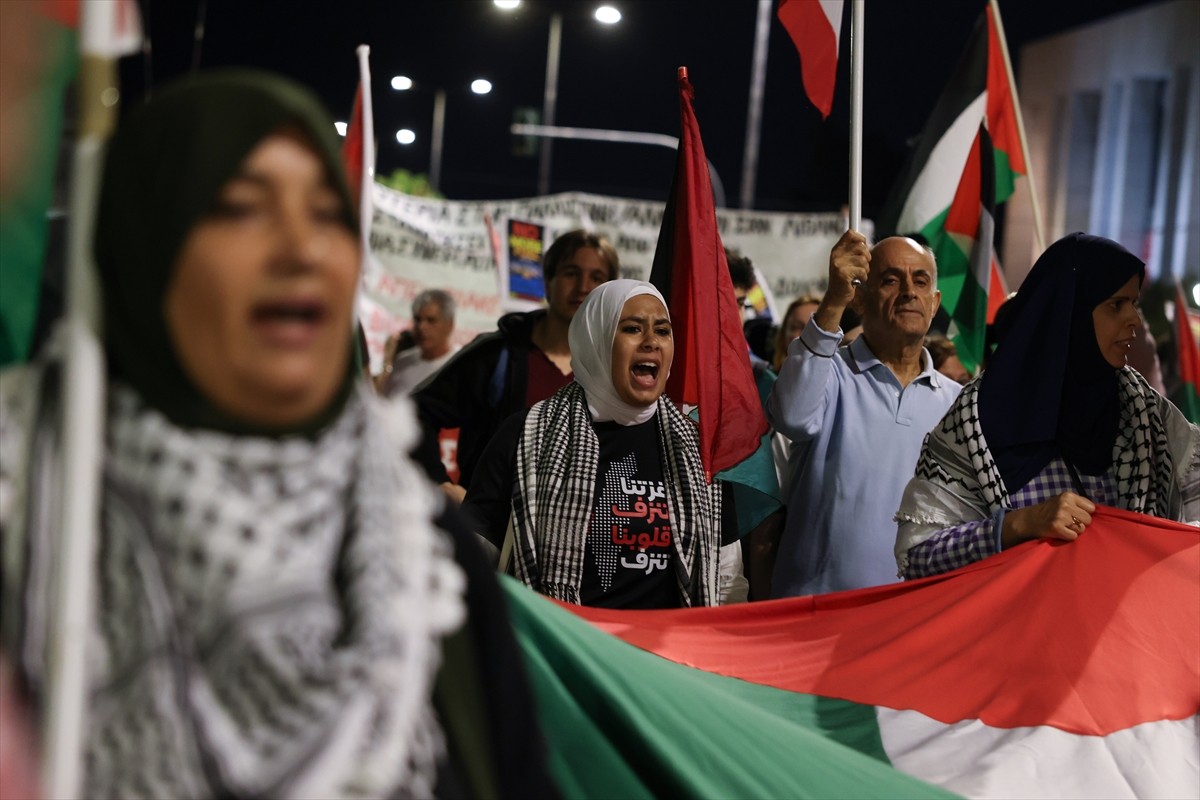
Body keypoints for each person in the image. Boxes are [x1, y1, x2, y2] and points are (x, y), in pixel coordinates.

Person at [0, 70, 552, 798]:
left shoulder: (423, 559)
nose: (302, 248)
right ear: (142, 245)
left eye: (327, 214)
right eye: (240, 207)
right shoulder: (27, 516)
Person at [895, 233, 1200, 579]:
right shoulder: (980, 417)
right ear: (1070, 313)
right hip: (1017, 629)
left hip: (1122, 630)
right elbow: (918, 551)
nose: (1134, 319)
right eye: (1116, 305)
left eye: (1134, 303)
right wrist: (1018, 525)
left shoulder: (1146, 412)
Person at [463, 280, 747, 608]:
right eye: (632, 329)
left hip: (665, 654)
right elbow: (474, 554)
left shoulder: (698, 451)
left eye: (663, 331)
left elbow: (727, 575)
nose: (652, 342)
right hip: (565, 649)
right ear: (596, 339)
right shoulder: (527, 434)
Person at [766, 231, 961, 596]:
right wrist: (833, 299)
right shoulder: (829, 373)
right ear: (860, 299)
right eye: (890, 280)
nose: (908, 291)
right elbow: (790, 416)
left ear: (934, 303)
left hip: (911, 622)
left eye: (920, 281)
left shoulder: (958, 404)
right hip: (816, 619)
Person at [413, 229, 618, 494]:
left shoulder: (613, 369)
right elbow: (413, 412)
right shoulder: (497, 353)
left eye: (597, 277)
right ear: (547, 282)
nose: (583, 287)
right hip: (489, 531)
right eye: (571, 273)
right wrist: (440, 484)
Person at [379, 289, 460, 396]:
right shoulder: (402, 362)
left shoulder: (459, 365)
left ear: (449, 325)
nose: (422, 327)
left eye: (431, 320)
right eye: (418, 320)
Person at [771, 294, 822, 373]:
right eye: (797, 327)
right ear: (784, 334)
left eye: (815, 328)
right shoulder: (764, 381)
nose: (806, 334)